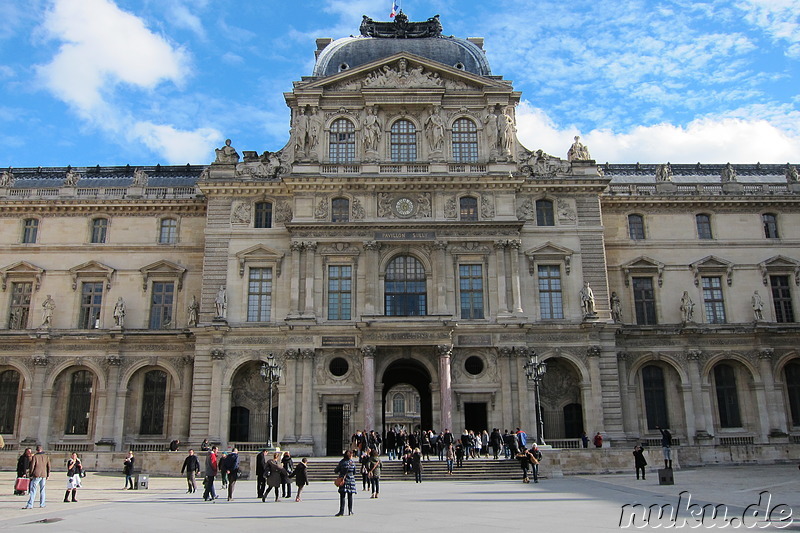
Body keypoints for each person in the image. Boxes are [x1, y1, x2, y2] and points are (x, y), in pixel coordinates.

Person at [23, 445, 50, 509]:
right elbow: (48, 466)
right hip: (44, 474)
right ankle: (42, 504)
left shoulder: (35, 456)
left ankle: (30, 504)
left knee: (33, 489)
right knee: (42, 490)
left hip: (36, 475)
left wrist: (31, 474)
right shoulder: (46, 457)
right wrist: (48, 474)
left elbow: (32, 466)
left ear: (37, 450)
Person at [334, 450, 357, 516]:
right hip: (351, 480)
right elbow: (354, 472)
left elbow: (336, 470)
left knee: (342, 496)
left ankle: (341, 511)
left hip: (343, 480)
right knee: (350, 496)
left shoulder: (342, 462)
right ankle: (350, 511)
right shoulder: (352, 463)